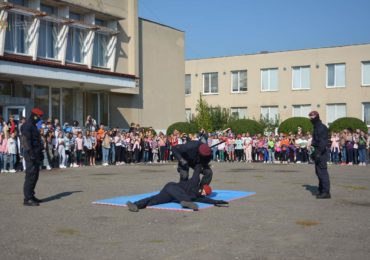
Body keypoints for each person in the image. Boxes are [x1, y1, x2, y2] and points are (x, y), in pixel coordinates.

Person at [126, 164, 228, 212]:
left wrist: (216, 202)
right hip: (172, 187)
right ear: (203, 189)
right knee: (183, 197)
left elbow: (207, 200)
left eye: (205, 194)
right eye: (205, 192)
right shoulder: (194, 182)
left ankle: (135, 205)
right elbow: (197, 171)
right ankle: (184, 202)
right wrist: (199, 161)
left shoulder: (198, 197)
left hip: (171, 194)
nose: (204, 195)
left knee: (154, 200)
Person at [21, 108, 44, 206]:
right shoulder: (27, 125)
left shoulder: (33, 125)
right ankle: (27, 198)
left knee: (35, 176)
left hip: (36, 153)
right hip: (31, 154)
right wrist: (31, 153)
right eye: (39, 117)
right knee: (30, 176)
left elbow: (36, 140)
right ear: (34, 116)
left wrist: (40, 153)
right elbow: (25, 140)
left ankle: (31, 194)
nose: (40, 119)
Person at [309, 111, 331, 199]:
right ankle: (321, 189)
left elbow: (323, 141)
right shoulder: (316, 127)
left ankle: (326, 192)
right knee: (318, 172)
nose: (310, 118)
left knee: (322, 172)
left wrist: (318, 153)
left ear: (317, 116)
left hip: (321, 152)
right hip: (317, 151)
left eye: (312, 116)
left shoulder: (321, 127)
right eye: (310, 117)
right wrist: (313, 153)